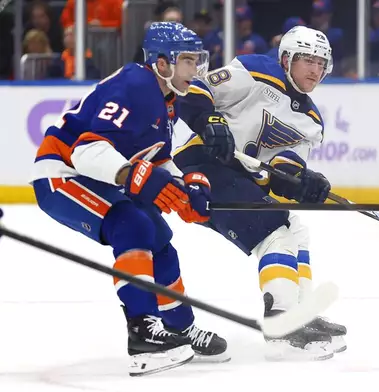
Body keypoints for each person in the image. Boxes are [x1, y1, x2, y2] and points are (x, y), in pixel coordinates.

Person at [29, 22, 231, 376]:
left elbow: (157, 159)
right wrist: (134, 176)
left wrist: (187, 189)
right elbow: (86, 151)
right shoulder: (135, 84)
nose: (196, 70)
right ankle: (142, 333)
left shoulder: (168, 101)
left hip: (98, 178)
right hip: (62, 175)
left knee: (161, 241)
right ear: (162, 64)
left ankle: (178, 328)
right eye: (187, 60)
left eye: (198, 60)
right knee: (133, 225)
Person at [171, 25, 346, 361]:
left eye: (321, 63)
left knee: (296, 228)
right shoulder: (256, 71)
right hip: (202, 165)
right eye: (307, 59)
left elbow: (283, 169)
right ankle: (282, 327)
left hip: (240, 179)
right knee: (275, 232)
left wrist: (304, 182)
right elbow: (195, 91)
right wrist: (211, 121)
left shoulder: (311, 121)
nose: (315, 69)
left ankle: (300, 312)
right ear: (286, 59)